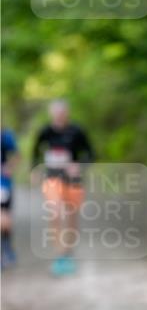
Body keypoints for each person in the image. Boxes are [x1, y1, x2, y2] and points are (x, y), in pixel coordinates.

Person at [32, 100, 94, 276]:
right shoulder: (45, 131)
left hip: (73, 180)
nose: (59, 116)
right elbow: (35, 152)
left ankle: (68, 252)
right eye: (56, 113)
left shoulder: (77, 131)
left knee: (71, 217)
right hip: (52, 178)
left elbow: (91, 153)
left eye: (62, 113)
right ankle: (60, 254)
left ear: (67, 113)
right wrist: (35, 170)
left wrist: (79, 165)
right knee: (55, 212)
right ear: (52, 114)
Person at [1, 127, 19, 268]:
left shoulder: (5, 136)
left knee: (3, 217)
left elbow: (17, 155)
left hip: (3, 184)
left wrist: (9, 167)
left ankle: (6, 249)